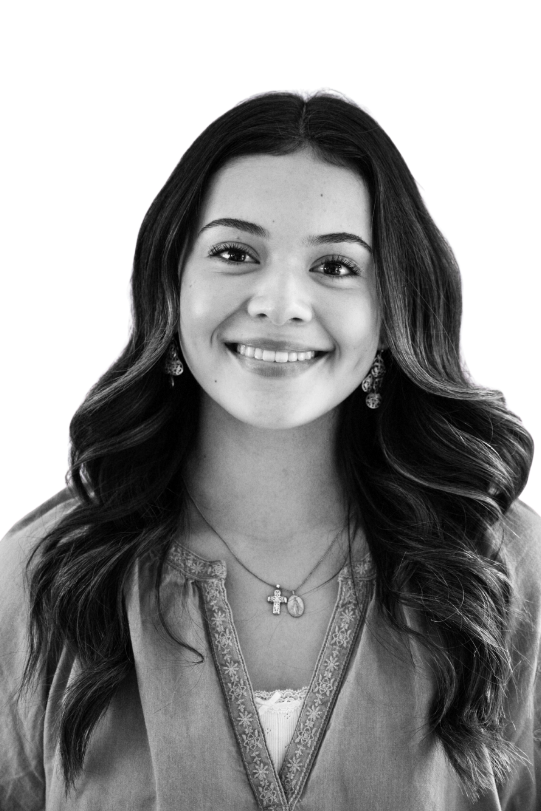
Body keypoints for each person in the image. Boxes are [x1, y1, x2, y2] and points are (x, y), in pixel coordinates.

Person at [1, 89, 540, 810]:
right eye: (234, 252)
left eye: (336, 266)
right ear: (170, 284)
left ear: (390, 313)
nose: (279, 301)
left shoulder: (505, 570)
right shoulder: (44, 569)